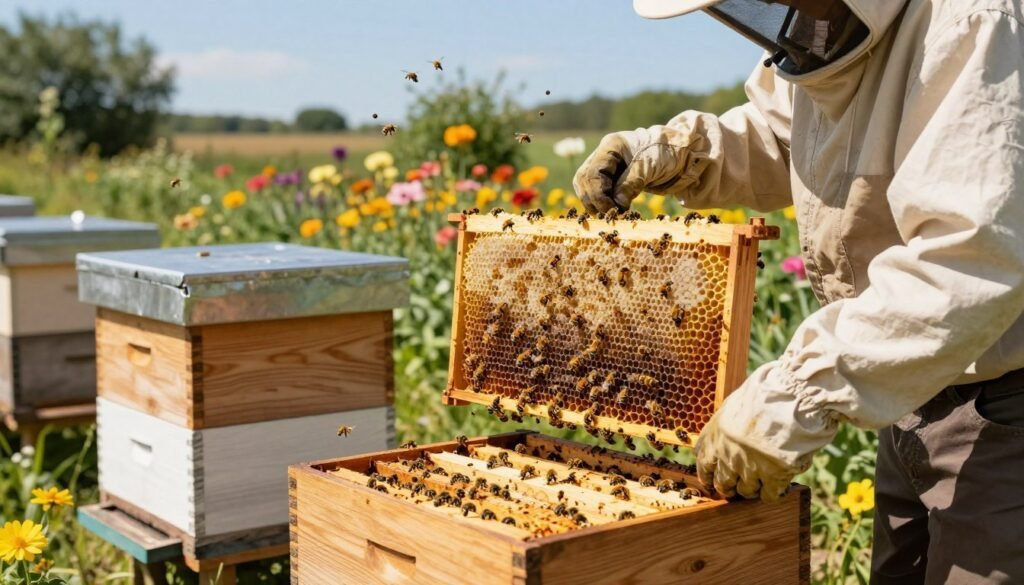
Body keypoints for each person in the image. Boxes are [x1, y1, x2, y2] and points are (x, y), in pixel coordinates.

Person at [573, 0, 1024, 582]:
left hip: (1003, 405)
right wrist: (680, 153)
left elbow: (968, 256)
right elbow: (787, 135)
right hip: (911, 388)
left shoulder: (974, 20)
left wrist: (796, 395)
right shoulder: (827, 33)